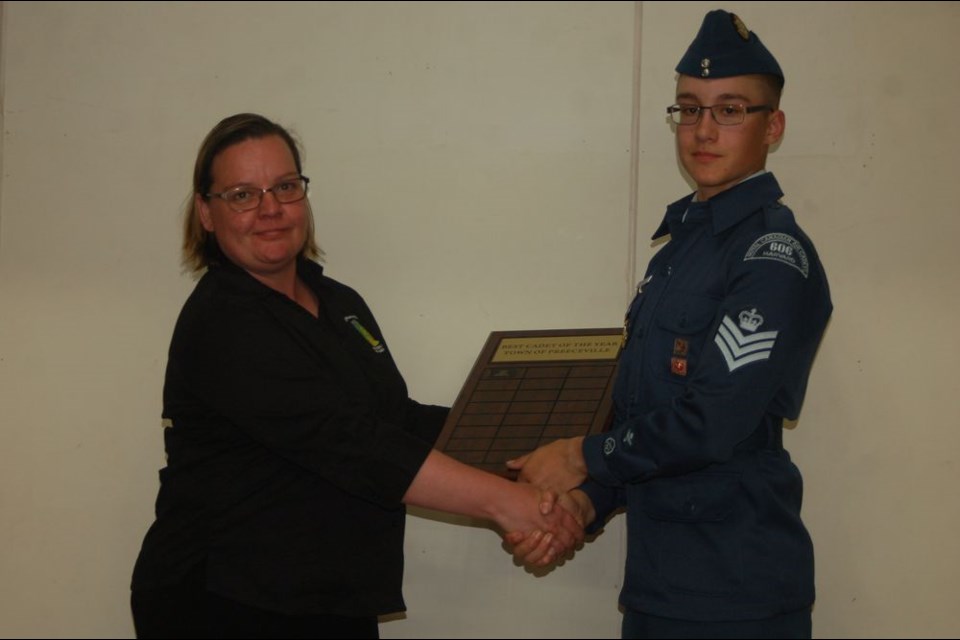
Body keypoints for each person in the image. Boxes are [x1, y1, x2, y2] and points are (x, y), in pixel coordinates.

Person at [130, 113, 583, 639]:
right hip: (225, 602)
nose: (270, 209)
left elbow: (395, 420)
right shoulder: (223, 322)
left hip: (328, 599)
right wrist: (510, 503)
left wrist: (545, 447)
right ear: (207, 213)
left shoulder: (339, 303)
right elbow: (352, 445)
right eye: (242, 195)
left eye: (284, 186)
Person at [506, 10, 832, 639]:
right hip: (663, 588)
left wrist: (580, 457)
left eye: (730, 109)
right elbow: (644, 423)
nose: (703, 131)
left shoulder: (770, 255)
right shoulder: (679, 252)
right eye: (689, 108)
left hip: (736, 593)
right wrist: (585, 502)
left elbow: (712, 425)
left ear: (774, 126)